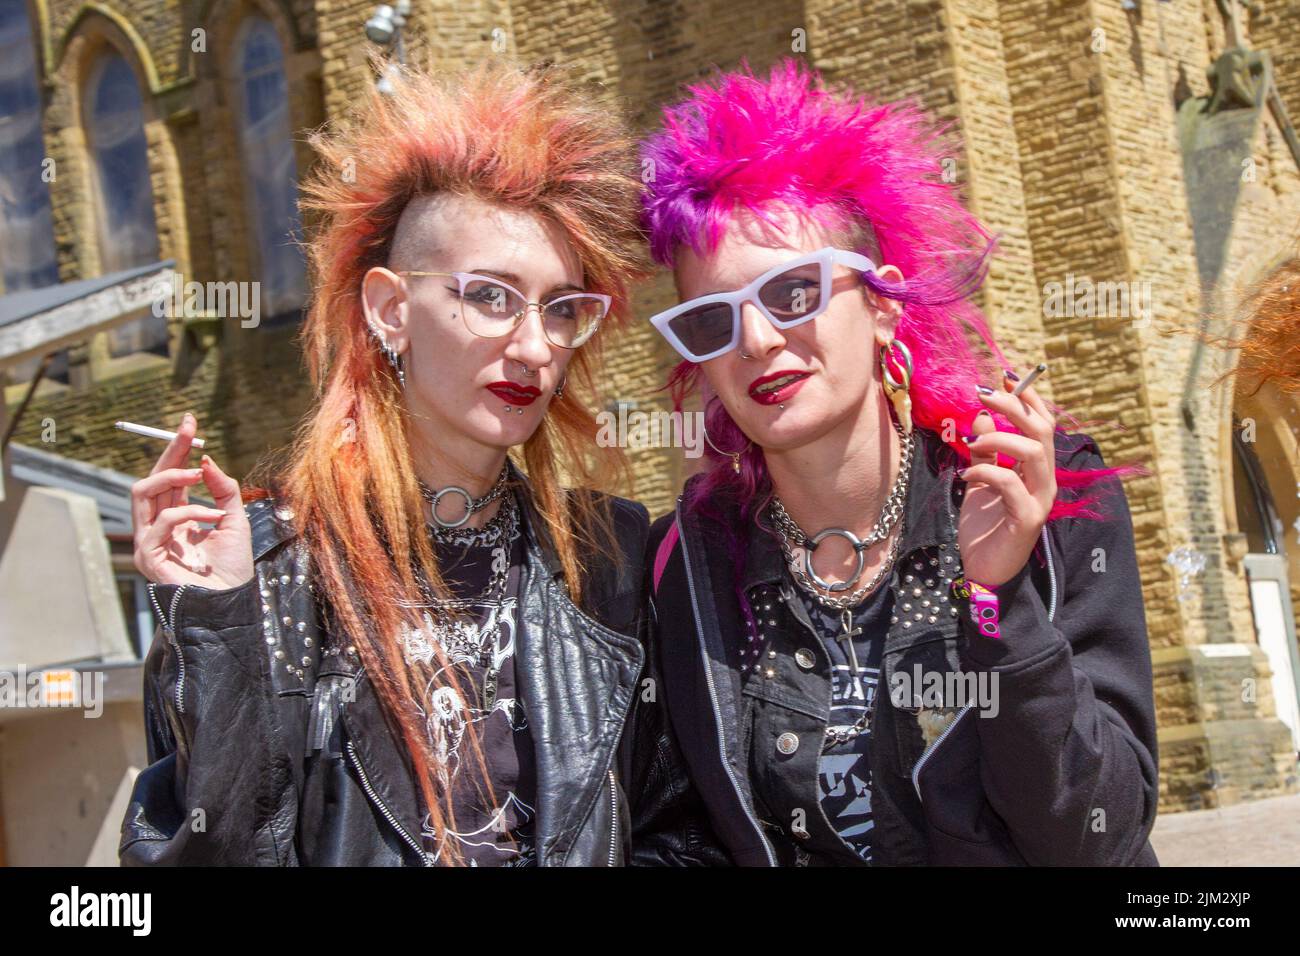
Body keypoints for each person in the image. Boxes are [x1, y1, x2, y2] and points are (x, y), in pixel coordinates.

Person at [626, 58, 1161, 866]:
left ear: (881, 306)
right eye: (712, 321)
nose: (758, 340)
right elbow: (688, 832)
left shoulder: (1030, 493)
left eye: (795, 292)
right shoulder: (687, 568)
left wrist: (999, 603)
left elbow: (1097, 834)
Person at [120, 59, 652, 866]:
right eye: (490, 296)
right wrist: (218, 634)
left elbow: (672, 832)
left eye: (561, 307)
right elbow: (204, 852)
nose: (536, 345)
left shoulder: (608, 560)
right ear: (391, 311)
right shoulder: (267, 576)